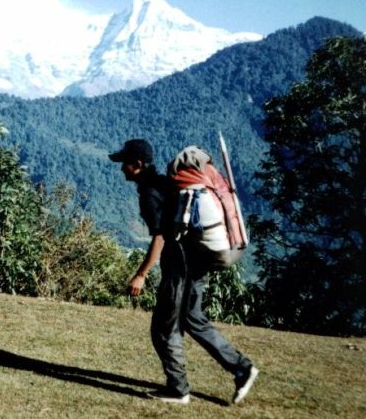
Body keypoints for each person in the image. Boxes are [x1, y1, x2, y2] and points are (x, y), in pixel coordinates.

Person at [109, 139, 259, 405]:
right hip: (198, 260)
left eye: (125, 164)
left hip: (179, 267)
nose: (122, 169)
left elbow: (160, 238)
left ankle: (178, 390)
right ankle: (242, 368)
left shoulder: (150, 194)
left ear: (138, 165)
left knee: (164, 328)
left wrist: (141, 274)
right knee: (192, 318)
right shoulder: (168, 184)